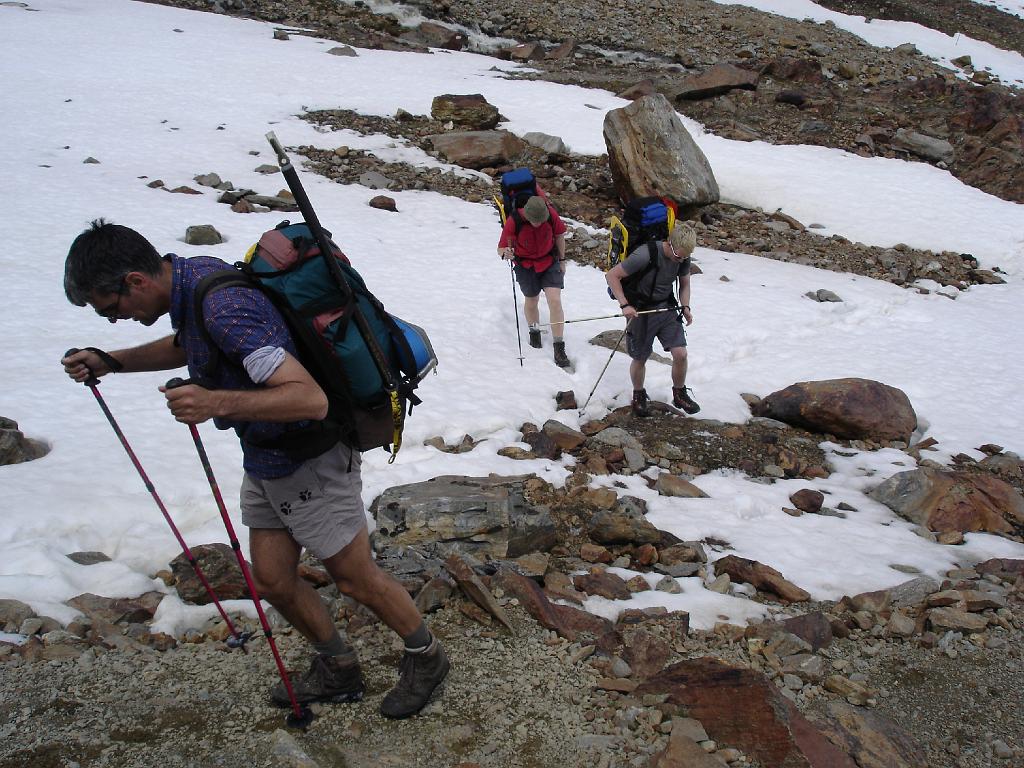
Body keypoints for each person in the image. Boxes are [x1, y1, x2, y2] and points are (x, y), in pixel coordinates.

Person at [61, 220, 449, 719]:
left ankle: (427, 656)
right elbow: (187, 345)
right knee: (271, 581)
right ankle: (339, 667)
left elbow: (307, 398)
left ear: (135, 280)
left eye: (111, 309)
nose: (116, 320)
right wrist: (111, 361)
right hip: (268, 457)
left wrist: (213, 401)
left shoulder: (225, 306)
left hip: (311, 457)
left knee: (354, 578)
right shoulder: (193, 284)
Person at [605, 223, 700, 418]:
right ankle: (638, 394)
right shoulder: (645, 255)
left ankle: (679, 392)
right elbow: (612, 275)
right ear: (670, 244)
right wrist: (625, 305)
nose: (680, 260)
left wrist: (686, 306)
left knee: (681, 354)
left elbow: (684, 284)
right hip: (640, 311)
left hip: (666, 308)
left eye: (684, 257)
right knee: (640, 357)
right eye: (677, 256)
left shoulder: (683, 256)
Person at [497, 195, 571, 368]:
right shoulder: (514, 220)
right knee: (532, 299)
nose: (537, 223)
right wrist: (505, 253)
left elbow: (559, 235)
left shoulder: (551, 215)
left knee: (555, 300)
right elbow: (500, 247)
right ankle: (534, 331)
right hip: (525, 265)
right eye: (534, 221)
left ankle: (559, 346)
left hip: (549, 261)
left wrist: (561, 260)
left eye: (540, 221)